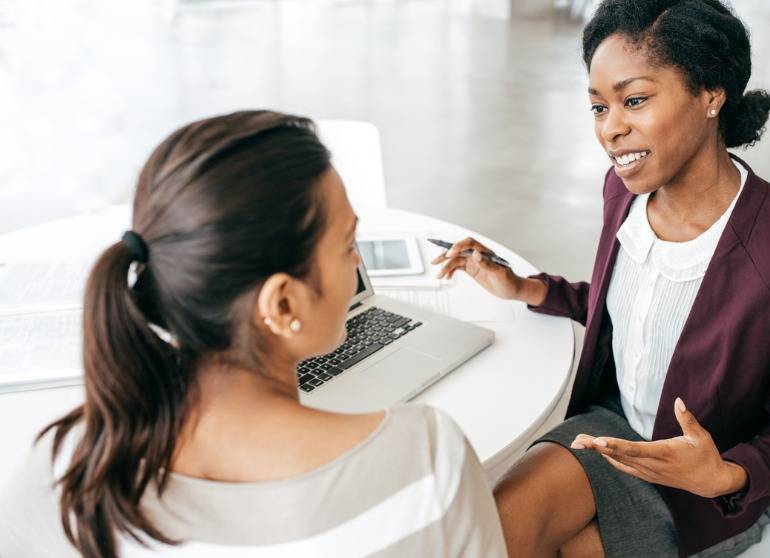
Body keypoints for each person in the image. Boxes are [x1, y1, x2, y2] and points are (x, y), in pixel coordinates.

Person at [433, 1, 770, 557]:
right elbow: (635, 311)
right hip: (612, 430)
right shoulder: (624, 193)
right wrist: (526, 287)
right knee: (490, 534)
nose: (611, 130)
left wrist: (723, 475)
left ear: (710, 93)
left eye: (634, 100)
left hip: (702, 491)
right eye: (598, 107)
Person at [0, 111, 506, 558]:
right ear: (282, 303)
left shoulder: (63, 472)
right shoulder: (426, 461)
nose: (357, 262)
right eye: (347, 244)